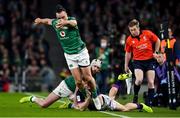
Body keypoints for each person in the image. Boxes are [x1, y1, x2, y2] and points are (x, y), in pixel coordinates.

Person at [33, 4, 101, 110]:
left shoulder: (71, 21)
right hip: (69, 55)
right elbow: (48, 21)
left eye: (63, 18)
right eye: (59, 18)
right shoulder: (55, 23)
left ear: (67, 15)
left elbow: (74, 22)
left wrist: (66, 22)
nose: (60, 20)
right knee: (78, 82)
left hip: (81, 52)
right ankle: (88, 96)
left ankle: (95, 97)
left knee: (87, 77)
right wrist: (40, 20)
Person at [19, 59, 102, 108]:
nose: (96, 69)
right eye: (95, 66)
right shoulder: (85, 71)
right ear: (91, 65)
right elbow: (78, 85)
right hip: (66, 87)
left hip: (75, 91)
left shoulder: (92, 77)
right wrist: (77, 99)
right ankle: (32, 98)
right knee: (44, 105)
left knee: (86, 103)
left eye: (98, 68)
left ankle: (69, 105)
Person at [124, 19, 160, 105]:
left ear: (138, 28)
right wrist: (126, 65)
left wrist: (156, 52)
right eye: (131, 30)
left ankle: (149, 103)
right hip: (138, 62)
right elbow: (128, 53)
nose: (133, 32)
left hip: (150, 61)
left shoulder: (147, 33)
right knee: (139, 80)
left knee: (151, 82)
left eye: (134, 29)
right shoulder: (129, 40)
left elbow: (157, 40)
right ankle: (135, 96)